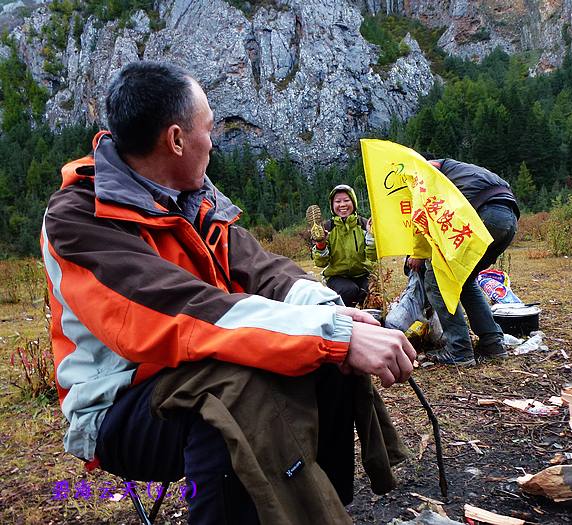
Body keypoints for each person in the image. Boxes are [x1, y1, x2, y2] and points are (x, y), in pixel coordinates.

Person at [41, 61, 416, 524]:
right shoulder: (79, 216)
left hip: (202, 362)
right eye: (209, 128)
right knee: (236, 398)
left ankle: (325, 507)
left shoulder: (196, 197)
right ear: (177, 140)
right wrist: (333, 332)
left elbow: (263, 271)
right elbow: (176, 310)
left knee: (324, 362)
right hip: (118, 403)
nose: (213, 142)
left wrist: (334, 315)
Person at [407, 157, 519, 366]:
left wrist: (419, 253)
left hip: (484, 216)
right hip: (508, 219)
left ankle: (458, 350)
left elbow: (423, 213)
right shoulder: (462, 170)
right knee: (466, 281)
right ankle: (492, 344)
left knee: (437, 280)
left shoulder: (428, 169)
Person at [310, 184, 377, 307]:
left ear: (354, 202)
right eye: (337, 201)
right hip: (337, 276)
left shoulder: (364, 225)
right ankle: (345, 320)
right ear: (332, 205)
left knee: (371, 291)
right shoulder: (326, 229)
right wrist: (321, 244)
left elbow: (373, 258)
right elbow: (321, 263)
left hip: (363, 273)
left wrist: (371, 237)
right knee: (349, 290)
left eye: (346, 200)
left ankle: (374, 321)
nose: (342, 205)